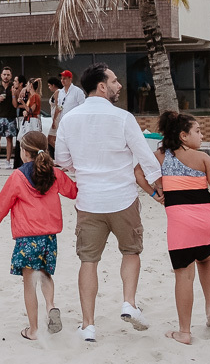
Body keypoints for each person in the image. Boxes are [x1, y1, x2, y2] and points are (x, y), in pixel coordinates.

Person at [56, 62, 161, 342]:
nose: (119, 86)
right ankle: (129, 302)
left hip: (89, 200)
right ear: (101, 86)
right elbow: (145, 156)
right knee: (131, 251)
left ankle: (88, 325)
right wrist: (159, 186)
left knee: (88, 261)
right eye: (114, 81)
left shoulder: (69, 119)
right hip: (123, 198)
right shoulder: (123, 118)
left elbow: (63, 162)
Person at [0, 131, 78, 340]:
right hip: (49, 238)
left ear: (24, 152)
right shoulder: (55, 174)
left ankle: (34, 330)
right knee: (45, 275)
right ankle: (51, 305)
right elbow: (74, 192)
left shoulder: (17, 176)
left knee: (29, 285)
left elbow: (2, 204)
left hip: (27, 239)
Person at [153, 111, 210, 345]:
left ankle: (184, 332)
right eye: (197, 131)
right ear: (183, 136)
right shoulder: (202, 158)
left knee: (183, 275)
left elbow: (140, 172)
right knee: (206, 260)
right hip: (207, 220)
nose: (202, 135)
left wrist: (156, 191)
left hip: (181, 225)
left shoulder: (160, 156)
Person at [0, 67, 18, 169]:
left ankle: (7, 161)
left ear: (11, 76)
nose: (6, 77)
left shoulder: (13, 86)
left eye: (8, 75)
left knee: (9, 139)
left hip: (11, 116)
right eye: (4, 74)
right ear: (1, 75)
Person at [46, 76, 63, 154]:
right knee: (52, 139)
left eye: (49, 85)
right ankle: (59, 155)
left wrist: (54, 120)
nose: (49, 88)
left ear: (53, 85)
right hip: (56, 118)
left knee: (50, 139)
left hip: (57, 118)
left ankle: (63, 153)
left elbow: (58, 106)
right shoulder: (58, 92)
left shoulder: (58, 92)